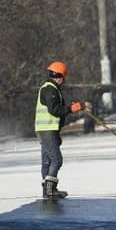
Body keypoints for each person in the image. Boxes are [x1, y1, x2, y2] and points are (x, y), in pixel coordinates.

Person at [35, 61, 83, 199]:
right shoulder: (50, 89)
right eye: (64, 77)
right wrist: (70, 109)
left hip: (46, 129)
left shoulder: (49, 88)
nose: (64, 81)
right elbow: (55, 110)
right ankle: (50, 190)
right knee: (56, 160)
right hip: (47, 129)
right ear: (60, 76)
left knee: (47, 161)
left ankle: (47, 190)